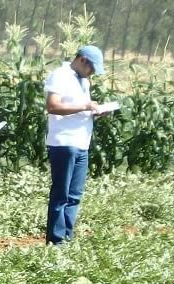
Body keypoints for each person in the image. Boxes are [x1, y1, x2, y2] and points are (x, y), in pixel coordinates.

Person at [44, 45, 106, 245]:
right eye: (91, 68)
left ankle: (67, 238)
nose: (92, 72)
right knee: (61, 194)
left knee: (74, 195)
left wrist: (95, 111)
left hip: (81, 143)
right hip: (64, 142)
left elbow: (80, 109)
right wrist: (84, 106)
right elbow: (53, 106)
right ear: (82, 60)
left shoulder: (84, 81)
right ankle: (56, 241)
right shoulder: (60, 75)